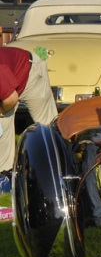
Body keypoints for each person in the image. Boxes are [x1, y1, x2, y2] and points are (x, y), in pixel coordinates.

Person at [0, 47, 58, 192]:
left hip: (30, 72)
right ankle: (4, 177)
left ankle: (63, 169)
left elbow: (11, 99)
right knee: (1, 130)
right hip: (8, 84)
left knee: (50, 128)